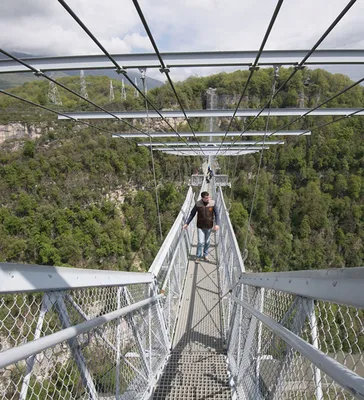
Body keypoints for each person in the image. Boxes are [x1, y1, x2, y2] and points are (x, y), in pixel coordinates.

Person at [183, 191, 220, 261]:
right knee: (200, 242)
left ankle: (205, 254)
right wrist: (187, 223)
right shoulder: (198, 204)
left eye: (208, 197)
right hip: (200, 226)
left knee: (207, 242)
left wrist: (217, 224)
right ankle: (198, 256)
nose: (208, 199)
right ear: (202, 198)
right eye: (206, 198)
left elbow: (217, 214)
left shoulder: (213, 203)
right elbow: (192, 214)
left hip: (209, 226)